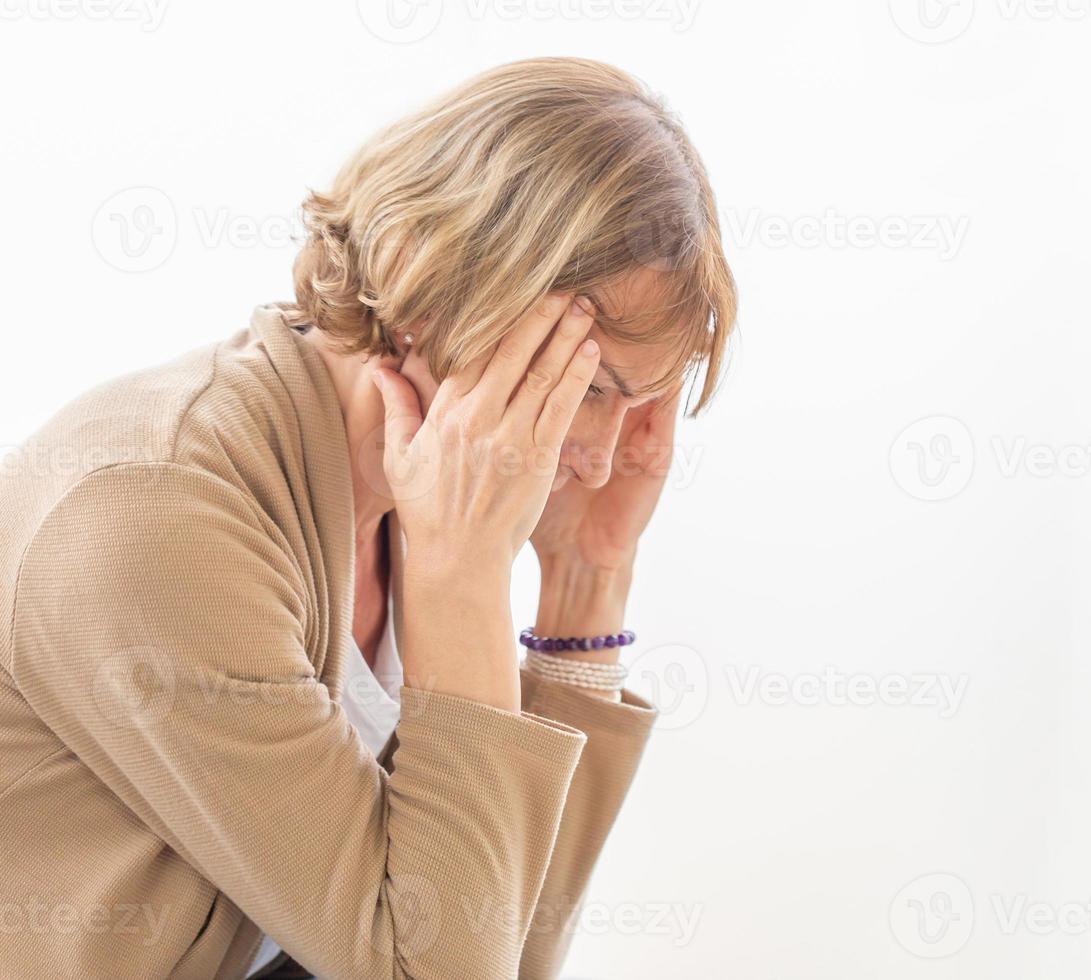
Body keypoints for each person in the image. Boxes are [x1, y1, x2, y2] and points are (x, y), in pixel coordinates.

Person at [0, 56, 736, 978]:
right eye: (587, 387)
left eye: (640, 408)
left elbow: (505, 945)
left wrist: (588, 574)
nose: (595, 456)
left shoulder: (406, 496)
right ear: (438, 291)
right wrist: (464, 581)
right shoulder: (156, 511)